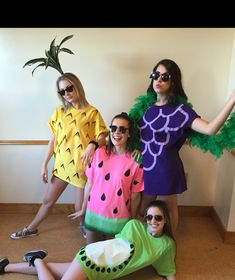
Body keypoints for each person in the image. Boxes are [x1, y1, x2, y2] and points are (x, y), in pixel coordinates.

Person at [0, 200, 193, 280]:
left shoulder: (166, 245)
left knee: (54, 271)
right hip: (93, 258)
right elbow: (117, 246)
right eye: (149, 217)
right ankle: (37, 259)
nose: (152, 221)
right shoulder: (135, 226)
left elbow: (167, 267)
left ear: (165, 220)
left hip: (98, 273)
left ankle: (6, 266)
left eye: (157, 217)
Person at [129, 58, 235, 236]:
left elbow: (210, 129)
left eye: (165, 76)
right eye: (156, 75)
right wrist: (136, 147)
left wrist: (231, 101)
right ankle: (148, 244)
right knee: (144, 209)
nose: (159, 80)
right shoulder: (144, 107)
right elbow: (136, 134)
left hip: (166, 168)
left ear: (173, 82)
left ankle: (168, 245)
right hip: (145, 167)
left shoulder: (181, 111)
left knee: (168, 210)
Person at [10, 72, 108, 239]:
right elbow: (53, 140)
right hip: (62, 165)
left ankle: (84, 227)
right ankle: (31, 228)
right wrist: (44, 164)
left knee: (79, 207)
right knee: (48, 201)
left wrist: (93, 144)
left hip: (82, 166)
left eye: (69, 88)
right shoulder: (59, 113)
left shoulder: (92, 113)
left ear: (77, 86)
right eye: (62, 91)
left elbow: (103, 137)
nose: (66, 94)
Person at [68, 112, 144, 244]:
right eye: (113, 128)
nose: (116, 133)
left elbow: (135, 195)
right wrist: (83, 209)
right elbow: (89, 184)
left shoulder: (136, 160)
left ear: (129, 133)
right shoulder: (98, 153)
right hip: (93, 215)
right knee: (92, 257)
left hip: (119, 220)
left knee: (111, 261)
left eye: (122, 129)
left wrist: (132, 219)